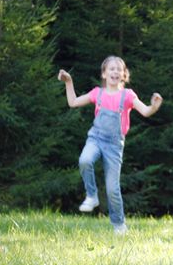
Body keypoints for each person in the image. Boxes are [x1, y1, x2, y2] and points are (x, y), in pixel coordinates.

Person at [58, 56, 163, 235]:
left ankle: (119, 224)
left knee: (112, 188)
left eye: (118, 69)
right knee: (85, 160)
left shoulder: (128, 96)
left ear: (124, 75)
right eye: (111, 69)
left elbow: (145, 111)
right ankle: (91, 196)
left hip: (114, 145)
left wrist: (154, 106)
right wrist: (69, 82)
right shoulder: (97, 93)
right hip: (96, 138)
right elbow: (73, 102)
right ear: (104, 74)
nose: (115, 72)